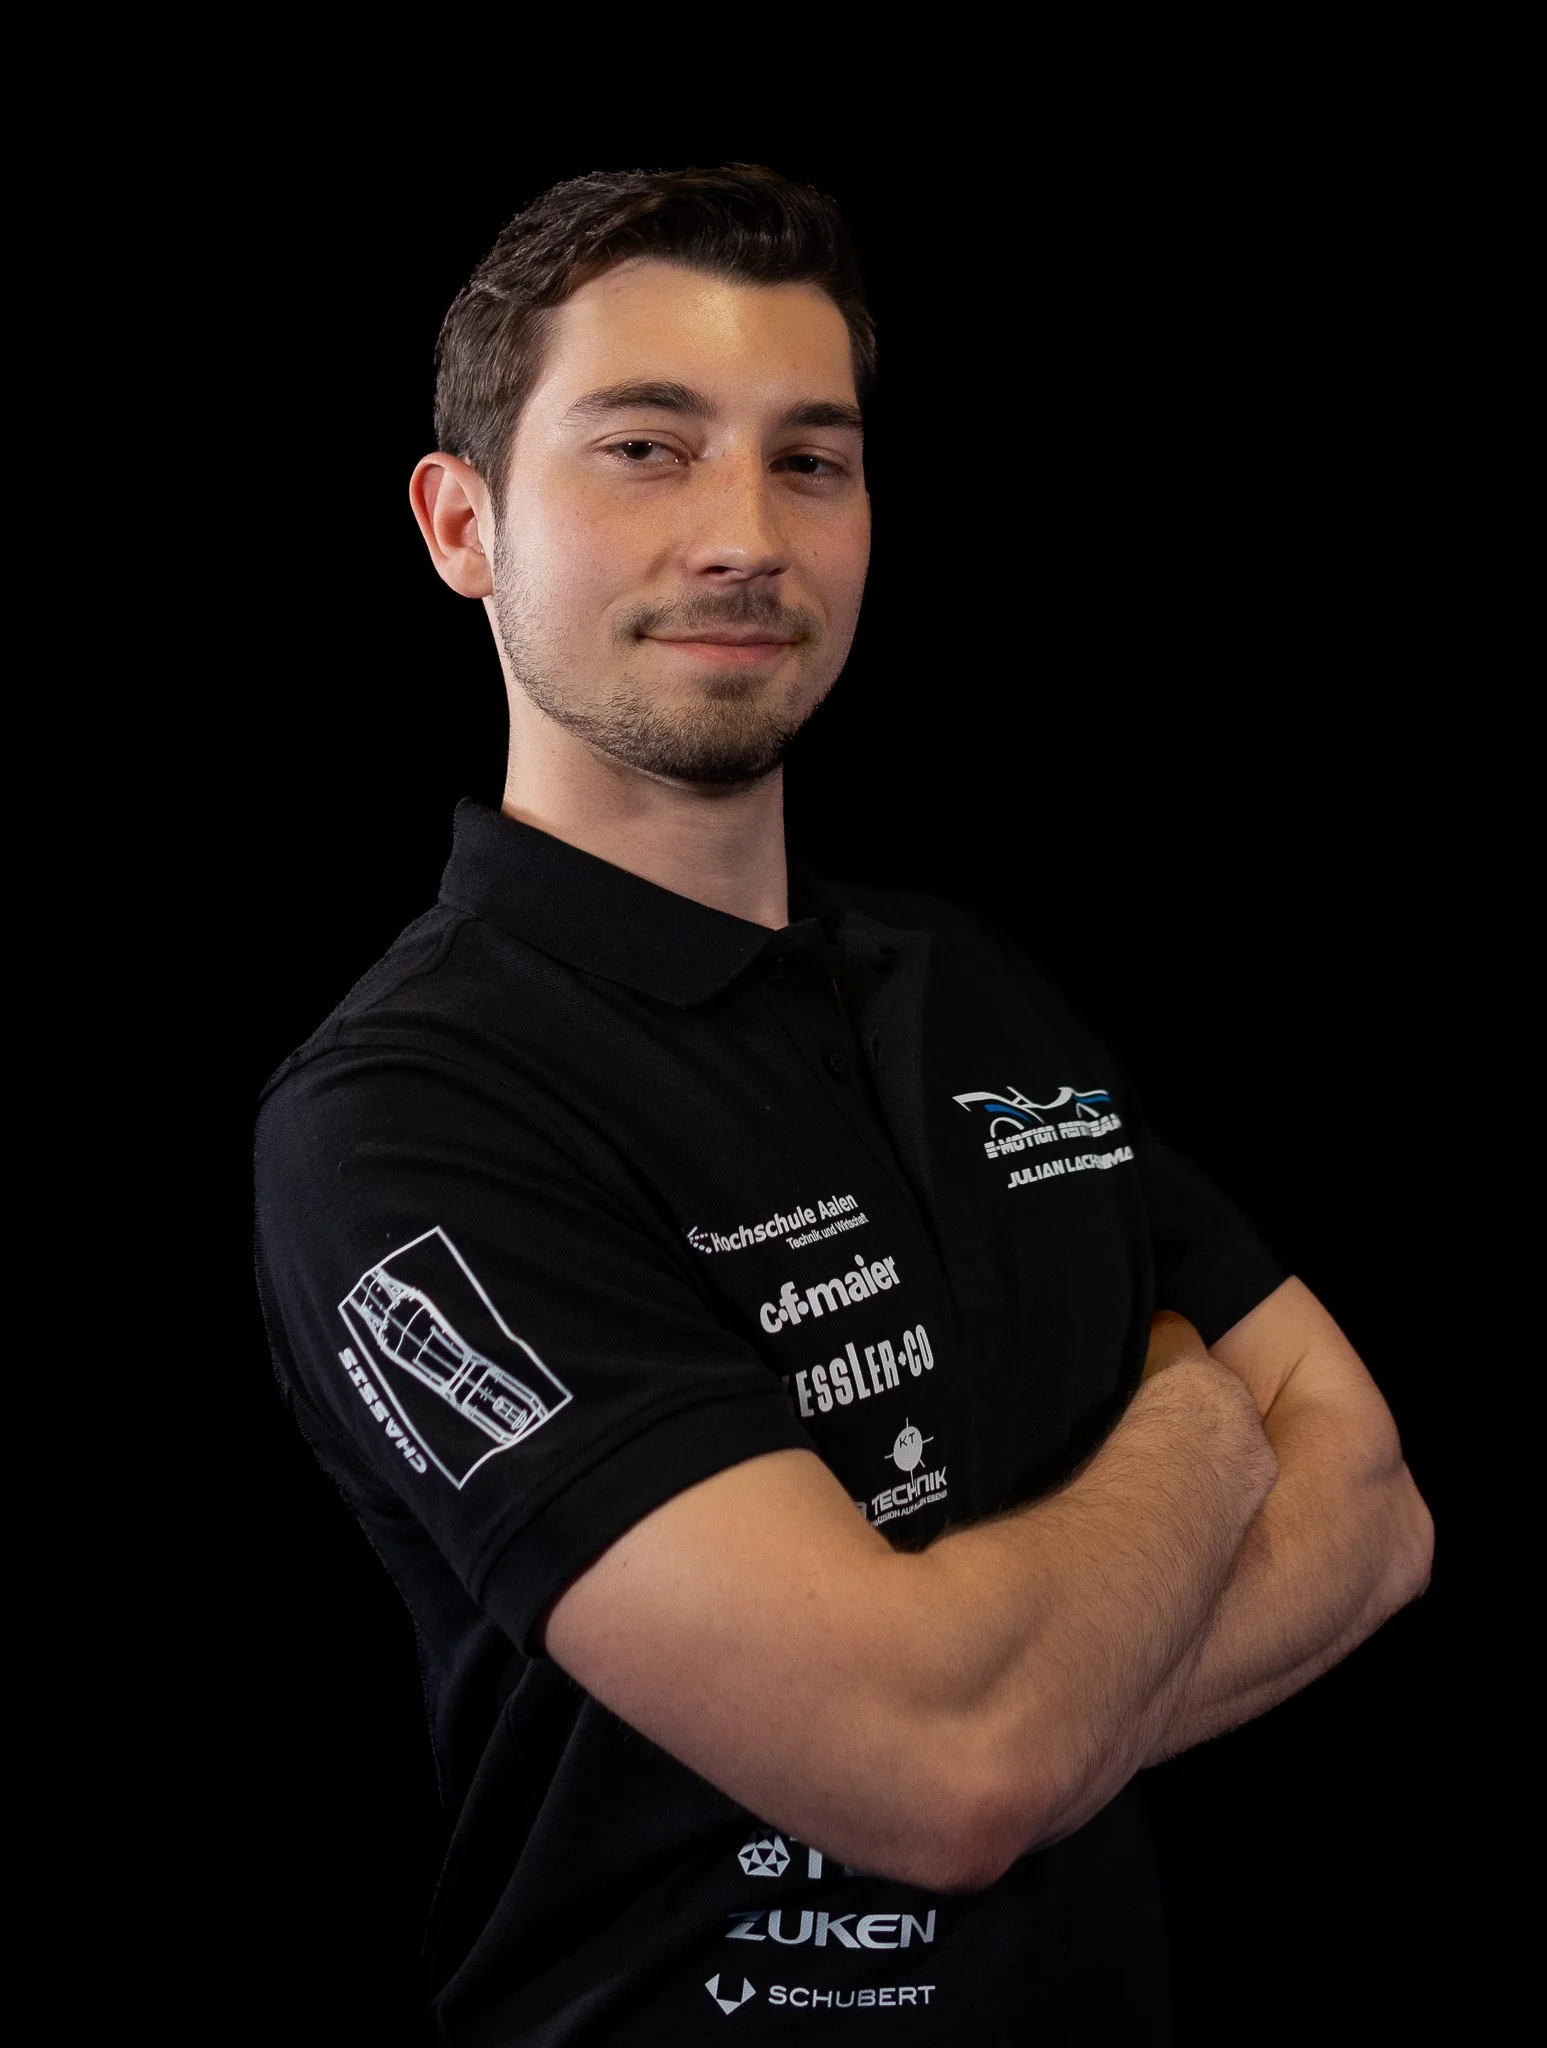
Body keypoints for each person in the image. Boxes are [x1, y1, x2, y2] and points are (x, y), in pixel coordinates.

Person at [253, 164, 1433, 2044]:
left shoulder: (963, 987)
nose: (743, 534)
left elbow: (1372, 1504)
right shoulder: (407, 1116)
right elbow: (943, 1770)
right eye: (645, 449)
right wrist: (1204, 1421)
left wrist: (1026, 1711)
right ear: (462, 522)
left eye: (810, 460)